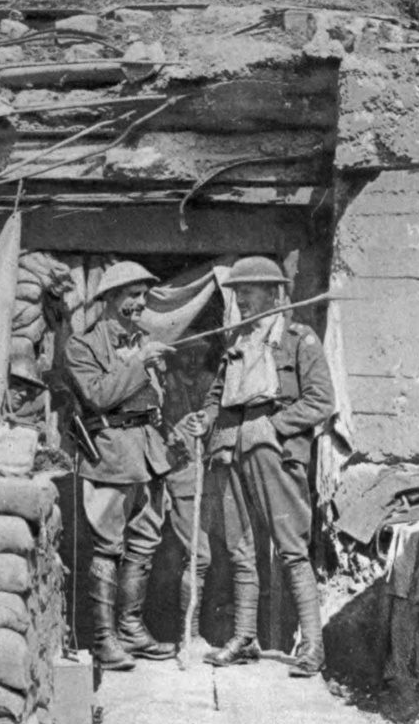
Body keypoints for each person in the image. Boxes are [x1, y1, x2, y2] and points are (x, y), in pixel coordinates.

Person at [186, 256, 335, 677]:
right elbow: (217, 394)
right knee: (238, 548)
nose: (242, 299)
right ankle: (245, 637)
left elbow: (321, 401)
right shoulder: (236, 341)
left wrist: (273, 426)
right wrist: (207, 417)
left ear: (275, 293)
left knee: (291, 547)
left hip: (273, 449)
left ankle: (312, 646)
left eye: (250, 290)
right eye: (237, 291)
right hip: (229, 448)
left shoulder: (299, 340)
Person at [64, 261, 176, 671]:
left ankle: (130, 631)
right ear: (108, 299)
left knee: (145, 542)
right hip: (109, 455)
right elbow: (97, 396)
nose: (139, 304)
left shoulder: (140, 339)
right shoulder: (83, 346)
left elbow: (153, 399)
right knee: (107, 547)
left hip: (146, 453)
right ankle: (104, 640)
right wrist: (139, 363)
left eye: (143, 296)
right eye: (131, 295)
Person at [162, 336, 215, 650]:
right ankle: (189, 634)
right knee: (198, 557)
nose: (193, 361)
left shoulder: (210, 383)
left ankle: (194, 632)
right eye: (187, 355)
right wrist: (178, 430)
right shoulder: (166, 385)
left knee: (207, 557)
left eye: (199, 354)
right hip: (179, 476)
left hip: (209, 478)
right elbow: (160, 429)